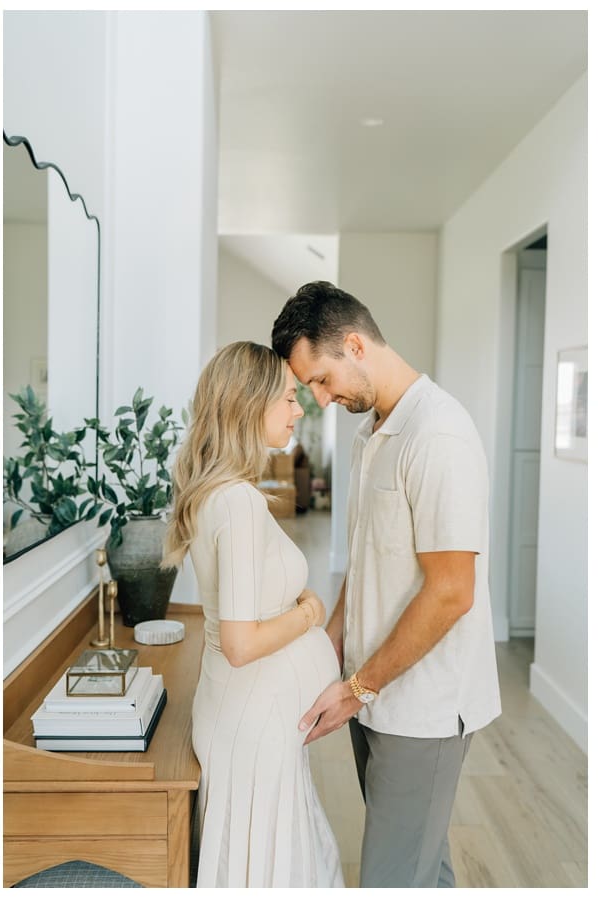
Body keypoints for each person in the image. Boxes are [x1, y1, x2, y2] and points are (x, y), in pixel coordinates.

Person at [271, 281, 501, 888]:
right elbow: (365, 564)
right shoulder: (371, 432)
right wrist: (330, 653)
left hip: (423, 705)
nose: (320, 399)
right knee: (422, 865)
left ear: (354, 344)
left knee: (390, 879)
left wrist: (357, 687)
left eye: (321, 379)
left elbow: (452, 592)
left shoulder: (438, 435)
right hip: (375, 691)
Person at [161, 340, 343, 888]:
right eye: (288, 398)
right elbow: (240, 643)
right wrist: (309, 613)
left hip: (253, 722)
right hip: (254, 726)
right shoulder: (235, 503)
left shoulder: (221, 493)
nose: (299, 409)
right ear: (248, 405)